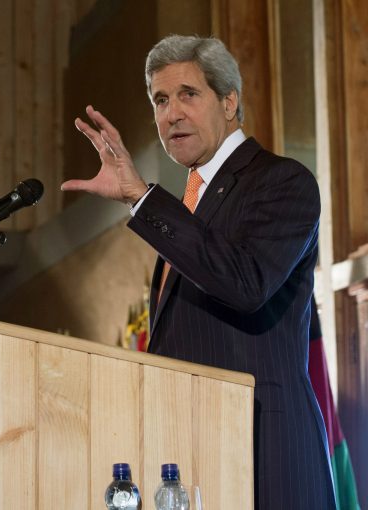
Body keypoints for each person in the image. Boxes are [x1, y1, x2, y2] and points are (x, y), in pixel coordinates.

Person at [61, 35, 336, 509]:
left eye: (188, 94)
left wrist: (141, 199)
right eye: (160, 100)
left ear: (229, 101)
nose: (171, 114)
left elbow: (245, 283)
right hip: (194, 454)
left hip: (263, 450)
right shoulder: (190, 200)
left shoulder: (282, 182)